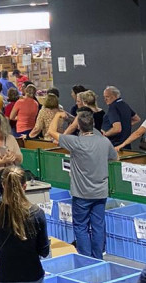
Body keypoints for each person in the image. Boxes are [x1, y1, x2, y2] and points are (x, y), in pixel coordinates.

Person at [48, 110, 118, 258]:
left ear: (78, 126)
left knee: (81, 226)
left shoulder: (76, 142)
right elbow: (115, 157)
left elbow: (51, 132)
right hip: (100, 193)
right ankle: (98, 257)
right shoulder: (104, 142)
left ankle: (85, 258)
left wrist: (57, 115)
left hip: (81, 194)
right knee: (98, 226)